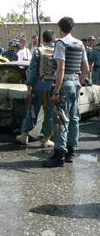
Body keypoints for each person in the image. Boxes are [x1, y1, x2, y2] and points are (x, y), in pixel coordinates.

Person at [42, 17, 90, 168]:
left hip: (64, 84)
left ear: (60, 29)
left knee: (61, 119)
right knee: (74, 118)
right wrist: (79, 83)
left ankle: (59, 155)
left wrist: (56, 91)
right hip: (76, 82)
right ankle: (70, 152)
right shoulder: (80, 43)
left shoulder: (61, 43)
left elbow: (61, 68)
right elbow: (87, 69)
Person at [16, 30, 56, 148]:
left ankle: (24, 135)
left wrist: (29, 88)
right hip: (52, 86)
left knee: (33, 110)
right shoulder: (58, 51)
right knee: (49, 113)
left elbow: (32, 71)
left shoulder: (39, 51)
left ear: (42, 39)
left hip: (38, 86)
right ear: (53, 39)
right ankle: (46, 138)